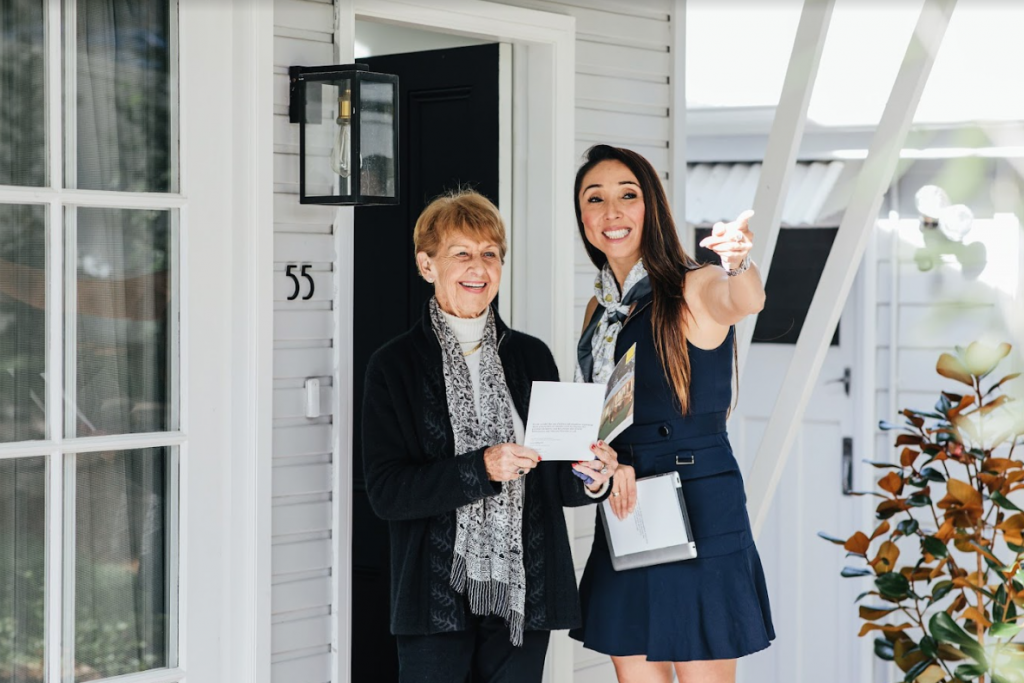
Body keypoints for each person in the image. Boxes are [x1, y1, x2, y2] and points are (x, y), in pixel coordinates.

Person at [361, 189, 620, 683]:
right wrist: (481, 468)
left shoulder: (531, 356)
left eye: (490, 254)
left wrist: (593, 475)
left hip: (524, 592)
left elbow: (557, 482)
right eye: (461, 253)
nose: (478, 267)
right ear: (426, 264)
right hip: (434, 596)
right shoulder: (394, 366)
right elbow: (387, 493)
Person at [568, 145, 775, 683]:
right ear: (583, 217)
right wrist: (599, 466)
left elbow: (744, 301)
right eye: (595, 199)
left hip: (699, 505)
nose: (612, 212)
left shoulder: (694, 284)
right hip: (628, 504)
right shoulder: (599, 310)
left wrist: (737, 263)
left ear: (652, 207)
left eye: (627, 195)